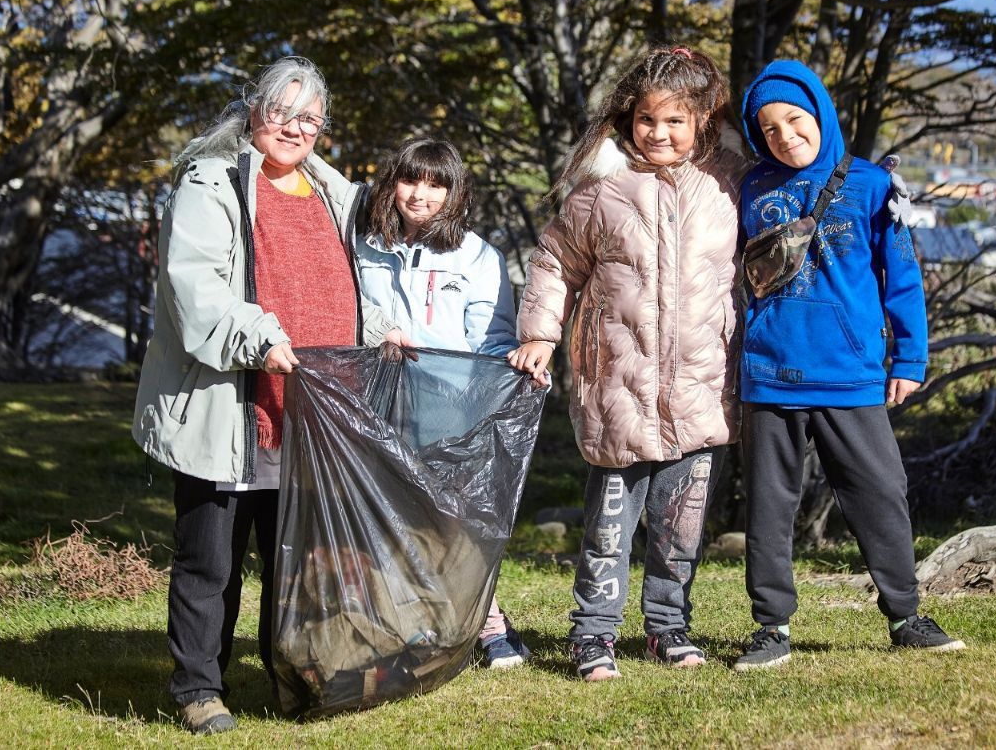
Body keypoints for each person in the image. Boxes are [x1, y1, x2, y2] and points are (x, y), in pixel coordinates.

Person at [132, 56, 408, 734]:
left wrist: (380, 329)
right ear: (255, 110)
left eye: (310, 119)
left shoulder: (333, 192)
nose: (295, 128)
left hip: (310, 410)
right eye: (282, 112)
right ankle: (199, 685)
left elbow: (348, 287)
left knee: (295, 565)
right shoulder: (212, 178)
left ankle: (290, 676)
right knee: (211, 561)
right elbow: (194, 286)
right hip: (230, 403)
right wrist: (258, 340)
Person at [510, 45, 749, 681]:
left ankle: (668, 625)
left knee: (682, 524)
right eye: (648, 120)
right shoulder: (602, 188)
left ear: (702, 119)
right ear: (628, 119)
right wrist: (539, 332)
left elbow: (761, 261)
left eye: (676, 120)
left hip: (701, 383)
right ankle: (594, 633)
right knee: (610, 524)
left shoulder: (730, 182)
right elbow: (556, 262)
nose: (660, 133)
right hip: (618, 383)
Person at [732, 59, 964, 672]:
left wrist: (909, 357)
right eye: (770, 129)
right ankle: (771, 626)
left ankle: (907, 614)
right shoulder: (751, 188)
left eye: (795, 120)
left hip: (852, 373)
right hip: (769, 373)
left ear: (820, 114)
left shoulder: (871, 185)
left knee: (880, 492)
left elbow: (903, 278)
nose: (785, 136)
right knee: (769, 505)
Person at [354, 136, 530, 669]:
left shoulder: (478, 256)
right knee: (392, 520)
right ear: (392, 184)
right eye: (411, 180)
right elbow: (350, 308)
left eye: (437, 184)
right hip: (378, 404)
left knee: (458, 519)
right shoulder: (363, 245)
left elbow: (492, 339)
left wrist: (512, 373)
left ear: (455, 194)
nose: (421, 195)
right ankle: (405, 625)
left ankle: (488, 622)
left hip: (449, 409)